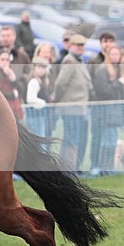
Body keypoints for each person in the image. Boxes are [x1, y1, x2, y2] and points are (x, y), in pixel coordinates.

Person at [52, 33, 91, 172]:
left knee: (73, 139)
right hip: (71, 108)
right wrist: (57, 99)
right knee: (71, 140)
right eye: (78, 45)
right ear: (72, 46)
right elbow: (60, 84)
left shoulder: (79, 61)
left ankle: (69, 168)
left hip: (79, 108)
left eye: (82, 46)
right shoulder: (69, 61)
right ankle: (68, 169)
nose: (80, 48)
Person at [92, 45, 124, 175]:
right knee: (107, 141)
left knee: (112, 141)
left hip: (116, 112)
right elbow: (102, 91)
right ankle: (104, 168)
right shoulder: (102, 70)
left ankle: (109, 167)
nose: (115, 57)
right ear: (108, 55)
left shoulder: (119, 69)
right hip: (107, 113)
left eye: (117, 54)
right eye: (112, 54)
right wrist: (118, 84)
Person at [88, 31, 116, 175]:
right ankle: (95, 165)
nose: (108, 44)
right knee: (97, 135)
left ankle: (108, 165)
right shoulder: (94, 60)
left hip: (112, 106)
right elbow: (91, 80)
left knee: (110, 137)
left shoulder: (115, 59)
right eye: (105, 41)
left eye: (110, 41)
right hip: (98, 104)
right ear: (100, 44)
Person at [25, 57, 52, 138]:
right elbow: (30, 99)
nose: (41, 70)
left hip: (39, 116)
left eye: (43, 67)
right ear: (34, 68)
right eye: (39, 67)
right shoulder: (34, 81)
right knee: (39, 139)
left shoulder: (41, 81)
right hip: (35, 116)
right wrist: (43, 103)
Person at [0, 46, 24, 121]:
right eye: (2, 59)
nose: (5, 62)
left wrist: (13, 78)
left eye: (7, 60)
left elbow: (21, 89)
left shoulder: (11, 71)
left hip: (14, 108)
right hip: (1, 110)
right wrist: (13, 95)